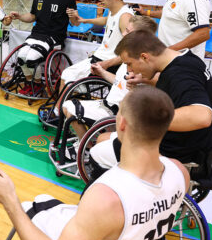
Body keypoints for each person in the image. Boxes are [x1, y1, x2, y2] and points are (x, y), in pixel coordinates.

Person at [0, 86, 190, 240]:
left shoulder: (107, 198)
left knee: (28, 207)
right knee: (45, 200)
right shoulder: (180, 171)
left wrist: (9, 200)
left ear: (122, 124)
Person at [90, 30, 212, 175]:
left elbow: (202, 116)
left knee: (98, 153)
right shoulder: (186, 59)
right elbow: (172, 83)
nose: (129, 70)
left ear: (144, 57)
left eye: (129, 64)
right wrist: (144, 80)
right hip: (193, 146)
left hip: (179, 153)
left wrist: (142, 120)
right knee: (102, 138)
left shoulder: (181, 73)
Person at [61, 16, 158, 157]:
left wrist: (142, 81)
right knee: (67, 106)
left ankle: (86, 149)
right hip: (108, 105)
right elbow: (119, 81)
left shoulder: (144, 61)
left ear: (141, 36)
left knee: (71, 109)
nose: (124, 33)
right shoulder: (131, 55)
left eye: (128, 31)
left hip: (118, 112)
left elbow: (156, 79)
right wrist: (102, 72)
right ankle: (86, 145)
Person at [9, 0, 77, 95]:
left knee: (32, 58)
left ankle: (39, 85)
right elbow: (32, 16)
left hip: (55, 37)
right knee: (21, 56)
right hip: (37, 34)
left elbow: (74, 23)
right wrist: (19, 16)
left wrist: (73, 16)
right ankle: (30, 83)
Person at [63, 0, 133, 86]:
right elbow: (107, 20)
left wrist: (106, 64)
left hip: (107, 62)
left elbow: (130, 52)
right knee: (66, 76)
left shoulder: (125, 17)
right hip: (101, 57)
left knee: (66, 75)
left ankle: (60, 103)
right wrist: (84, 20)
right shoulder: (113, 11)